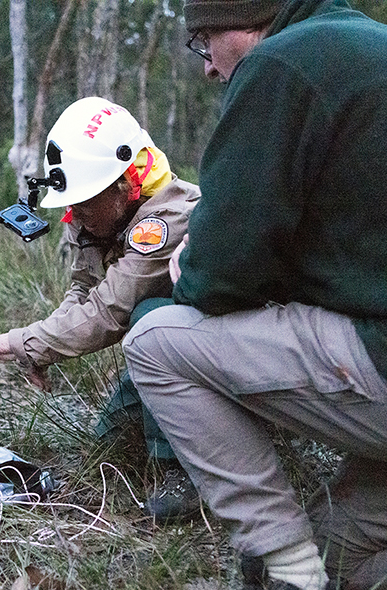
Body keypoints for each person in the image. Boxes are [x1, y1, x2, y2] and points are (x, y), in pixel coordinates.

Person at [121, 0, 387, 589]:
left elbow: (218, 277)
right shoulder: (369, 45)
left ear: (241, 21)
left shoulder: (279, 66)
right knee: (342, 552)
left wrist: (187, 267)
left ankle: (285, 568)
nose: (209, 67)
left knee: (154, 342)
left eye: (203, 42)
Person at [0, 96, 201, 519]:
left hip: (218, 354)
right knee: (105, 448)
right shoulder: (102, 216)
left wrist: (4, 345)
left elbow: (108, 312)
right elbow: (82, 289)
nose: (75, 215)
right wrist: (38, 348)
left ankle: (185, 472)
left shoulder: (168, 219)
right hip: (168, 355)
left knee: (150, 316)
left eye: (84, 203)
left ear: (124, 183)